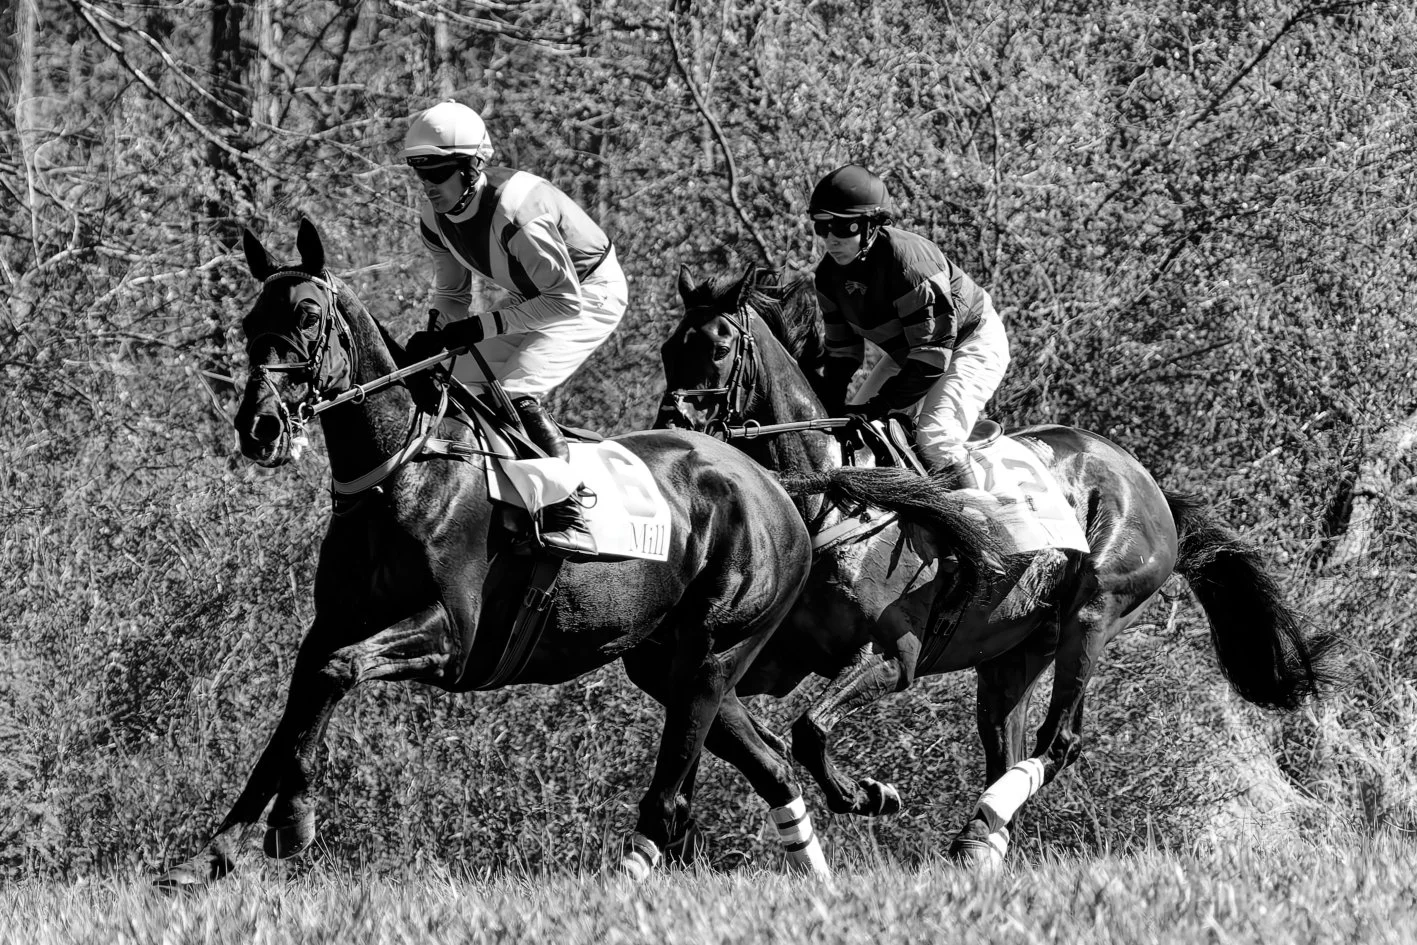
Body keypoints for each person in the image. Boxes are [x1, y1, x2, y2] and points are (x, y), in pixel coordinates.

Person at [401, 100, 627, 558]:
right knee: (454, 385)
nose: (428, 186)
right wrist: (434, 339)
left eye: (438, 173)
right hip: (536, 296)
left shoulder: (518, 213)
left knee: (516, 389)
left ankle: (568, 509)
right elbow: (452, 296)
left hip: (590, 293)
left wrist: (480, 327)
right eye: (420, 173)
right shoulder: (434, 218)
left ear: (470, 169)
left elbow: (565, 301)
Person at [809, 163, 1010, 489]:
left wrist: (880, 406)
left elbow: (932, 359)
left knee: (936, 437)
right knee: (855, 431)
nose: (831, 238)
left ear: (871, 226)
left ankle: (982, 523)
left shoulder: (911, 265)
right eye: (822, 226)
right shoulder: (827, 277)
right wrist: (829, 410)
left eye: (844, 227)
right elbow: (843, 355)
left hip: (969, 342)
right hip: (912, 352)